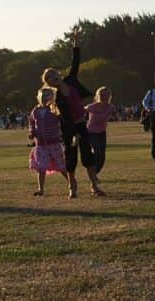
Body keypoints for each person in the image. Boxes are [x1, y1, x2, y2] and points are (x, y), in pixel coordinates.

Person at [41, 27, 99, 198]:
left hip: (81, 123)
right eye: (50, 77)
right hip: (69, 129)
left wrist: (75, 42)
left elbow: (75, 62)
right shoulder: (57, 97)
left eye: (54, 74)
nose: (54, 77)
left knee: (88, 157)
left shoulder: (71, 80)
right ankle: (72, 188)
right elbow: (65, 118)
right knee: (71, 159)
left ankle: (94, 186)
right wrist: (73, 135)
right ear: (49, 83)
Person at [28, 87, 70, 196]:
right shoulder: (35, 111)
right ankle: (40, 189)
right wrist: (32, 132)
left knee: (61, 166)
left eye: (47, 96)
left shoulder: (54, 109)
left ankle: (71, 183)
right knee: (41, 167)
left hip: (54, 142)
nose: (44, 99)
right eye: (42, 96)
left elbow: (62, 119)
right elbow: (32, 123)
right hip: (41, 144)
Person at [84, 87, 112, 196]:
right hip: (91, 132)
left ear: (109, 97)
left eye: (106, 95)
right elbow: (82, 111)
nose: (103, 97)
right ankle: (93, 179)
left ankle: (94, 174)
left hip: (102, 133)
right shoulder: (92, 107)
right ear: (97, 96)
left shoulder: (110, 107)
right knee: (97, 152)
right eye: (101, 95)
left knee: (102, 157)